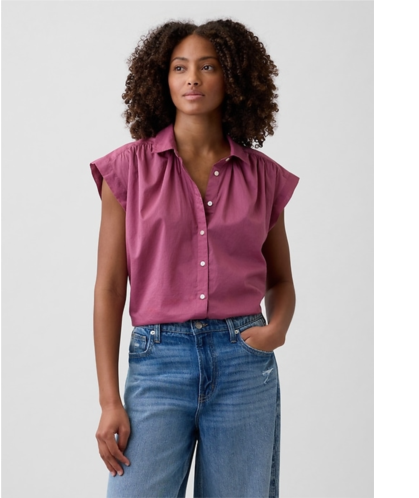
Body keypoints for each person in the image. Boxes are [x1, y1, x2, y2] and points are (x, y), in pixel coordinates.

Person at [90, 19, 299, 498]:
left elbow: (281, 280)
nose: (192, 79)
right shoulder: (127, 170)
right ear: (161, 79)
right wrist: (108, 400)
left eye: (208, 67)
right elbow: (109, 288)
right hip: (158, 362)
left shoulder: (263, 176)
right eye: (179, 67)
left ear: (233, 79)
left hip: (244, 362)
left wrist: (277, 330)